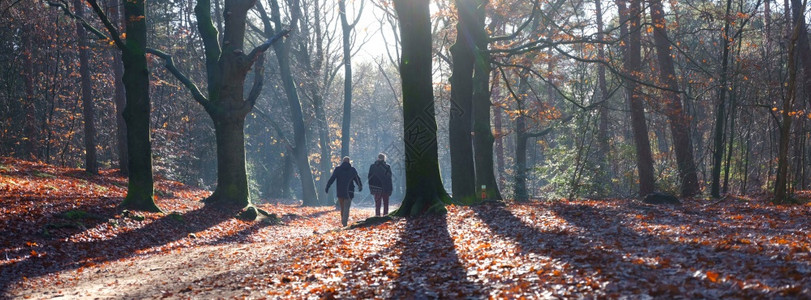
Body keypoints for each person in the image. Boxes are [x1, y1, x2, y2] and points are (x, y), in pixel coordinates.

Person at [325, 156, 362, 226]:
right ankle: (344, 223)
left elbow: (332, 178)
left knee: (342, 207)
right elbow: (357, 179)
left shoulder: (338, 169)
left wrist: (327, 186)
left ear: (342, 161)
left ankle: (343, 221)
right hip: (349, 191)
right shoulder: (352, 170)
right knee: (346, 208)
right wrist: (360, 186)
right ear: (349, 162)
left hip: (340, 191)